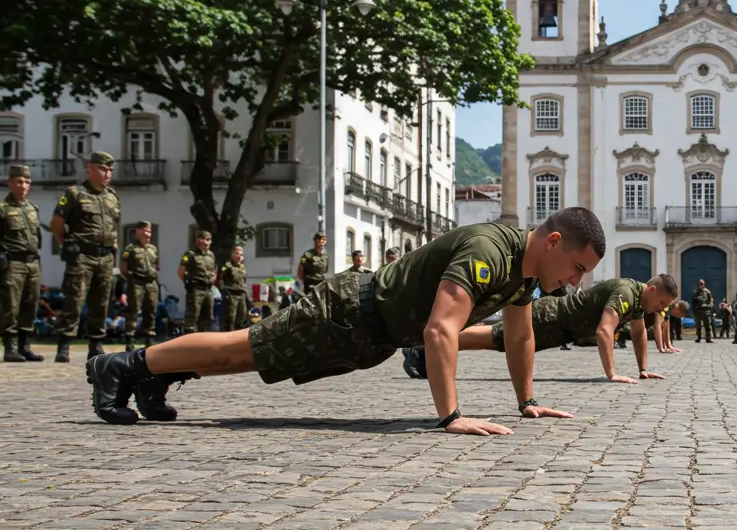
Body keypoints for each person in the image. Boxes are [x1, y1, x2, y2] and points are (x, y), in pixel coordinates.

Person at [84, 209, 606, 433]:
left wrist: (526, 402)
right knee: (241, 348)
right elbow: (440, 330)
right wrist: (450, 417)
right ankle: (122, 366)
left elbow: (520, 334)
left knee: (251, 359)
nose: (575, 282)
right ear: (553, 242)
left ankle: (153, 376)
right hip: (348, 310)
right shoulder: (491, 250)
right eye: (577, 268)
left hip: (368, 335)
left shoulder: (523, 275)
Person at [451, 275, 678, 383]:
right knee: (496, 338)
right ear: (651, 289)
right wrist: (612, 374)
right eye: (661, 302)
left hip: (560, 328)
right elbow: (604, 330)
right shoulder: (627, 292)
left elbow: (639, 332)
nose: (661, 309)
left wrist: (643, 369)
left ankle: (443, 343)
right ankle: (441, 342)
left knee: (499, 341)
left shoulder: (639, 301)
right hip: (550, 317)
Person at [51, 151, 122, 362]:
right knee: (74, 300)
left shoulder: (112, 196)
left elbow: (114, 225)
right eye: (102, 169)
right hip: (82, 256)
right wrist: (68, 244)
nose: (107, 174)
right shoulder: (75, 193)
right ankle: (64, 345)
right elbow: (57, 224)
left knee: (101, 302)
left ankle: (96, 344)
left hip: (105, 257)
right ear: (90, 168)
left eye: (110, 170)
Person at [2, 164, 44, 362]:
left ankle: (24, 346)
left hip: (32, 263)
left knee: (31, 303)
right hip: (12, 263)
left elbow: (38, 237)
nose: (24, 186)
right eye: (19, 181)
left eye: (27, 182)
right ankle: (9, 348)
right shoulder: (3, 209)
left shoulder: (32, 209)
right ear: (10, 183)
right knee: (10, 306)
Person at [119, 221, 160, 351]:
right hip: (136, 283)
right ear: (138, 232)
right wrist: (132, 278)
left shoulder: (153, 249)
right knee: (133, 311)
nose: (148, 234)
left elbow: (156, 265)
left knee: (151, 310)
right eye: (145, 231)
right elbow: (123, 268)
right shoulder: (130, 249)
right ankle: (130, 340)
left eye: (149, 231)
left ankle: (149, 339)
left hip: (151, 283)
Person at [178, 230, 217, 333]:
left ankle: (204, 340)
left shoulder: (211, 255)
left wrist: (213, 280)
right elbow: (181, 272)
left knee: (207, 318)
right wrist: (188, 284)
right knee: (192, 317)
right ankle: (189, 340)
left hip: (208, 290)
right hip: (195, 289)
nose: (205, 242)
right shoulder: (190, 254)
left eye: (208, 240)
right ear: (197, 241)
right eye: (203, 239)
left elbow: (214, 271)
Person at [217, 246, 250, 332]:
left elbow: (243, 281)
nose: (239, 256)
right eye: (237, 254)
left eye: (241, 254)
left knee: (242, 317)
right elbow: (220, 278)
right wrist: (223, 291)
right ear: (232, 254)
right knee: (230, 318)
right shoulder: (227, 266)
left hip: (241, 294)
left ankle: (239, 336)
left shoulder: (242, 267)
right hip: (231, 294)